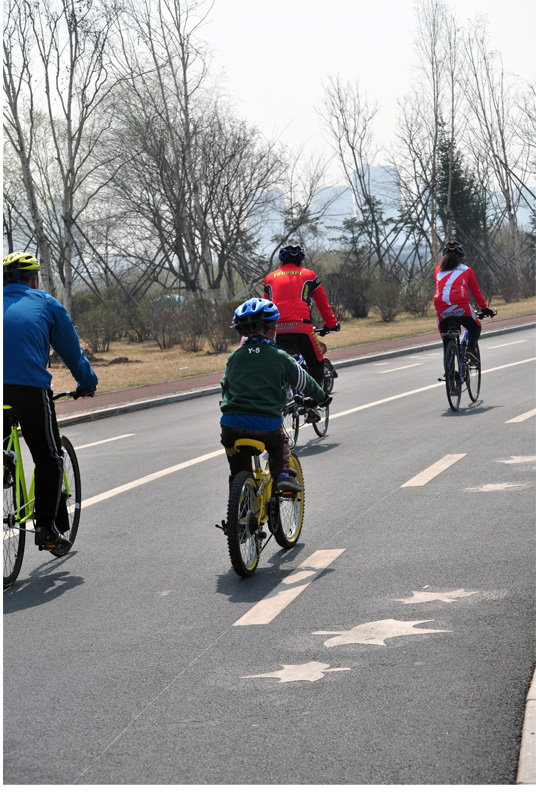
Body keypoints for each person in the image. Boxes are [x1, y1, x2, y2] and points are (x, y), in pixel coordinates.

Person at [3, 251, 98, 552]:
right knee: (49, 458)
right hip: (30, 389)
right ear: (34, 279)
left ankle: (5, 459)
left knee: (6, 442)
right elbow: (72, 353)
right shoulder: (45, 303)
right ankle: (46, 528)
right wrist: (87, 383)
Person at [220, 297, 329, 493]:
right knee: (280, 442)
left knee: (238, 473)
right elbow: (304, 381)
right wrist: (322, 397)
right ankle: (283, 476)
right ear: (272, 329)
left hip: (231, 425)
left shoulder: (234, 357)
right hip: (266, 424)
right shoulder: (279, 356)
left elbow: (225, 386)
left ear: (242, 332)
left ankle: (239, 511)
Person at [264, 244, 340, 389]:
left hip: (276, 330)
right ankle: (313, 403)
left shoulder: (269, 279)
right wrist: (331, 324)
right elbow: (323, 304)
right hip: (302, 327)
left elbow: (267, 307)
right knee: (316, 361)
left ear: (281, 263)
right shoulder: (309, 275)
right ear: (301, 262)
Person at [434, 241, 494, 363]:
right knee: (475, 327)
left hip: (441, 309)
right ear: (461, 257)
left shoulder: (437, 271)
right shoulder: (466, 270)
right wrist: (484, 308)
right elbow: (476, 292)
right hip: (462, 307)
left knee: (446, 341)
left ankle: (449, 372)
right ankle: (470, 350)